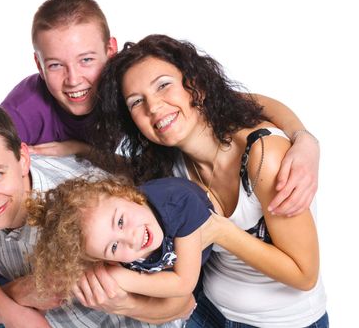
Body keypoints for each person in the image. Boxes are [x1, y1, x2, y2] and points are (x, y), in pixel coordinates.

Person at [0, 0, 320, 327]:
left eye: (86, 59)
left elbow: (236, 102)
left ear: (110, 51)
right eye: (56, 65)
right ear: (38, 65)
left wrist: (304, 138)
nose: (74, 80)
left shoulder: (148, 106)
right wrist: (7, 306)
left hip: (234, 303)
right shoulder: (27, 112)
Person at [89, 34, 328, 327]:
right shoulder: (169, 161)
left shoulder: (263, 157)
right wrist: (75, 149)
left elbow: (305, 274)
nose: (153, 107)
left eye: (163, 85)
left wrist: (304, 138)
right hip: (207, 311)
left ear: (196, 86)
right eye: (137, 102)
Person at [0, 100, 192, 328]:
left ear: (23, 158)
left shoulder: (88, 208)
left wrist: (125, 304)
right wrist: (19, 293)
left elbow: (184, 304)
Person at [28, 176, 213, 301]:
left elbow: (184, 284)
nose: (131, 239)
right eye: (114, 247)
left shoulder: (178, 203)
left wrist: (122, 278)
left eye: (121, 221)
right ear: (105, 259)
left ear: (124, 195)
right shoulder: (108, 250)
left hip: (212, 240)